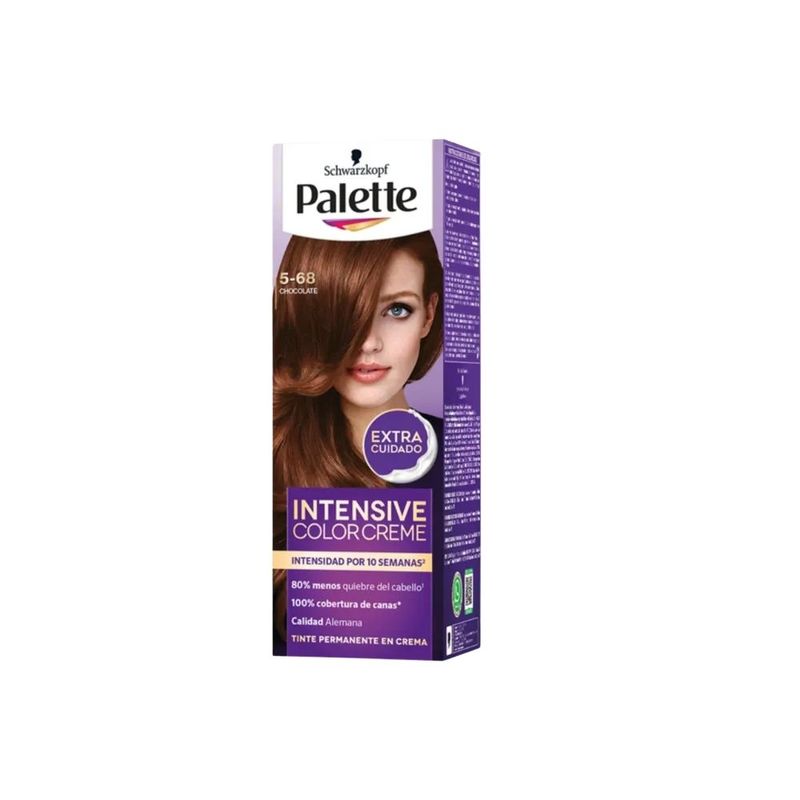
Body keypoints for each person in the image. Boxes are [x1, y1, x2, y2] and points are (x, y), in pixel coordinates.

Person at [272, 231, 444, 649]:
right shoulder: (272, 453)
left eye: (397, 310)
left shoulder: (465, 462)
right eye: (345, 308)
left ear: (428, 315)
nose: (368, 342)